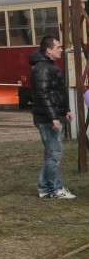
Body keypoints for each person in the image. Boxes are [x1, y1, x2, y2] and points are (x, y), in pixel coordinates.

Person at [29, 35, 76, 200]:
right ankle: (56, 189)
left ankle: (45, 188)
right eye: (58, 47)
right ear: (49, 50)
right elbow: (43, 94)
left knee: (51, 153)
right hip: (47, 118)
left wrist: (65, 110)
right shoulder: (43, 67)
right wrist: (54, 118)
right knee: (54, 154)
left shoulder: (48, 65)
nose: (61, 50)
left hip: (51, 115)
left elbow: (55, 92)